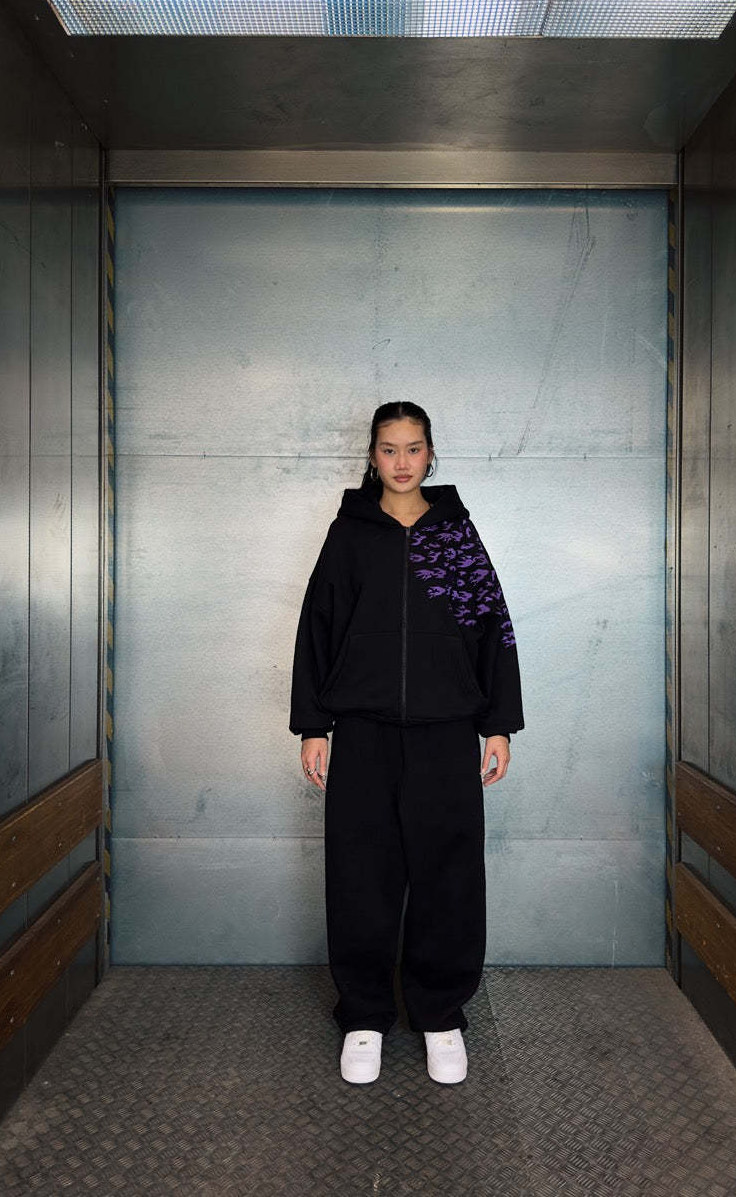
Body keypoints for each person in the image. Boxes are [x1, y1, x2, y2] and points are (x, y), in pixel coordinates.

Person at [289, 401, 524, 1085]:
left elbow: (491, 626)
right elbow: (318, 627)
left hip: (445, 732)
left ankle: (440, 1012)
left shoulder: (454, 535)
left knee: (448, 873)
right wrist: (314, 726)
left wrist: (498, 723)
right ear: (371, 456)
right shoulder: (350, 534)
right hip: (362, 732)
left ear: (430, 454)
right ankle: (364, 1013)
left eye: (413, 448)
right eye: (388, 449)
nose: (401, 461)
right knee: (360, 872)